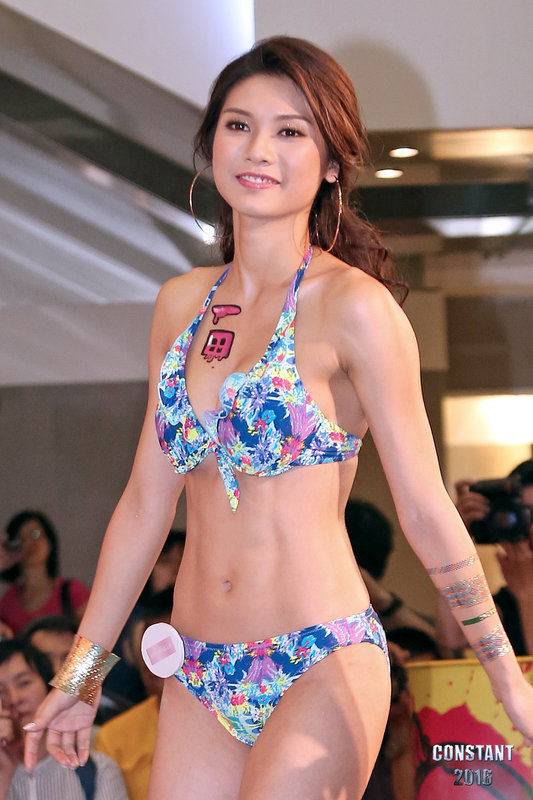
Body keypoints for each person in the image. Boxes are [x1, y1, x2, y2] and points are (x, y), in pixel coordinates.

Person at [23, 36, 533, 800]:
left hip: (319, 655)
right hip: (197, 669)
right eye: (239, 125)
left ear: (330, 162)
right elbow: (144, 504)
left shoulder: (354, 308)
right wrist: (81, 675)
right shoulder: (180, 304)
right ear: (212, 143)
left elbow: (428, 511)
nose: (258, 149)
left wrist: (506, 680)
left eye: (290, 131)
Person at [0, 639, 128, 799]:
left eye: (24, 683)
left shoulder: (98, 770)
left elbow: (100, 640)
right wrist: (3, 776)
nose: (14, 699)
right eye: (0, 691)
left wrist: (76, 692)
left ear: (50, 687)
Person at [95, 588, 174, 800]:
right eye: (151, 649)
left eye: (169, 649)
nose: (156, 662)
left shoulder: (237, 717)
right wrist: (77, 686)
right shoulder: (114, 736)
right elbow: (108, 613)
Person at [454, 459, 533, 656]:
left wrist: (527, 594)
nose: (528, 528)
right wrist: (457, 537)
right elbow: (452, 642)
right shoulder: (506, 603)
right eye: (523, 515)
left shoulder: (521, 591)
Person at [0, 511, 90, 634]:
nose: (31, 543)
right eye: (21, 538)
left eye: (35, 534)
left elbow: (95, 637)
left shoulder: (73, 591)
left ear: (49, 542)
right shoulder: (8, 601)